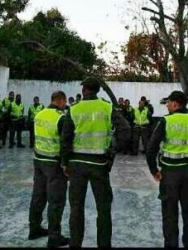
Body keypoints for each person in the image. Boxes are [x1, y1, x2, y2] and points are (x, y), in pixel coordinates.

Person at [61, 76, 131, 247]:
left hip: (77, 165)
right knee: (103, 208)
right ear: (98, 90)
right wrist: (112, 151)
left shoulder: (74, 109)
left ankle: (75, 244)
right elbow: (125, 130)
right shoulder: (107, 107)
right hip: (100, 165)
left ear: (84, 89)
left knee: (76, 209)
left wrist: (65, 162)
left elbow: (66, 138)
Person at [146, 91, 188, 248]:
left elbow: (151, 149)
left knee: (169, 215)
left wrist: (154, 170)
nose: (167, 105)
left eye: (168, 102)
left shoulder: (166, 121)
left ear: (175, 104)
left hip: (168, 175)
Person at [28, 91, 69, 248]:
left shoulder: (39, 114)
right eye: (64, 102)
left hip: (38, 160)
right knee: (56, 201)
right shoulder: (61, 118)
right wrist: (66, 164)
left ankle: (34, 228)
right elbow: (65, 144)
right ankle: (54, 237)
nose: (65, 105)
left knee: (38, 196)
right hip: (54, 164)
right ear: (60, 101)